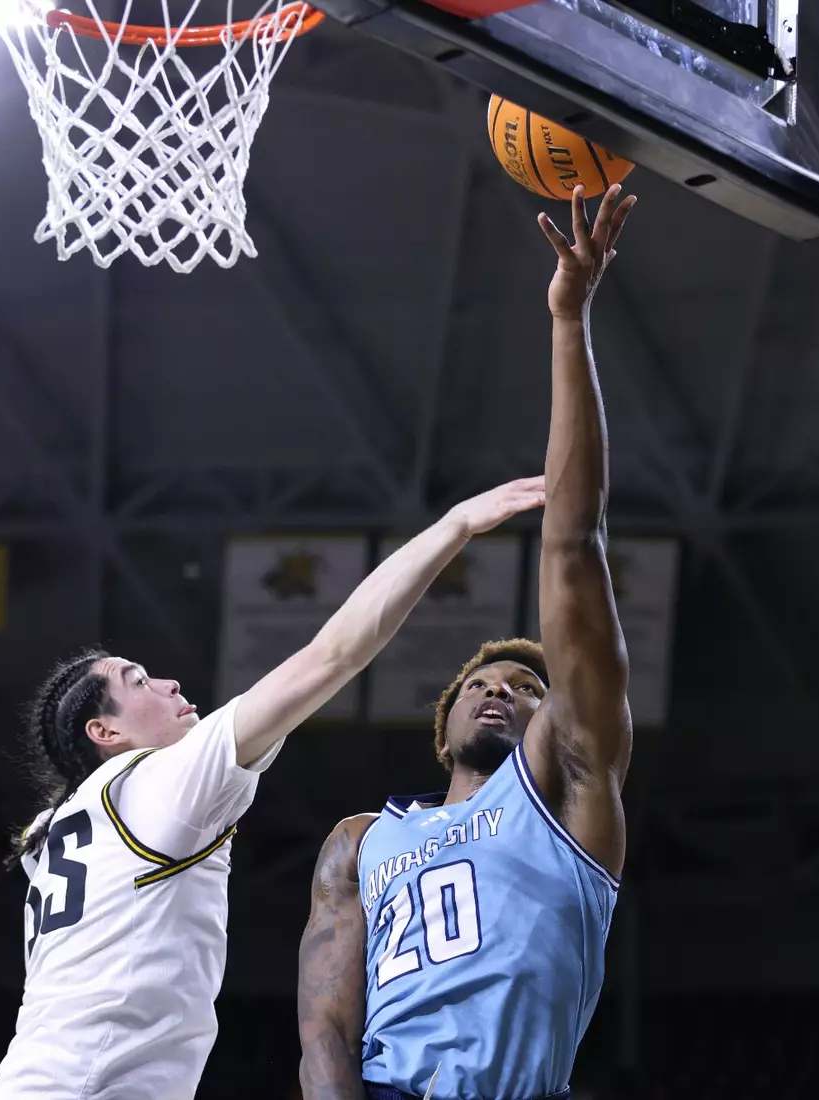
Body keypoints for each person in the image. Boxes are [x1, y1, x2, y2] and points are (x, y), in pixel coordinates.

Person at [0, 476, 547, 1100]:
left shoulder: (55, 826)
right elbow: (334, 654)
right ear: (103, 729)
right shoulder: (156, 784)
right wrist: (455, 526)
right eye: (137, 681)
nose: (167, 683)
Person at [296, 182, 639, 1100]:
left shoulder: (565, 787)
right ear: (443, 725)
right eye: (482, 681)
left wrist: (569, 320)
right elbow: (325, 1026)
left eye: (528, 686)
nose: (503, 689)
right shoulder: (359, 840)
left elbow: (573, 542)